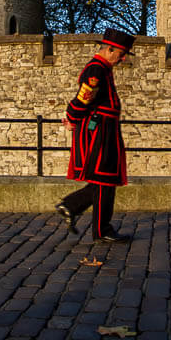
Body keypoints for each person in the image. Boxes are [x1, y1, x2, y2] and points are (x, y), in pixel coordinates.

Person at [55, 28, 134, 243]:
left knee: (105, 178)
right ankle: (87, 218)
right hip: (99, 131)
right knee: (104, 177)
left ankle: (95, 224)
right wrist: (72, 117)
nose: (123, 58)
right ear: (109, 49)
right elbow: (84, 97)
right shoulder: (96, 69)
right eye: (121, 53)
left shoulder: (103, 69)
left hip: (104, 129)